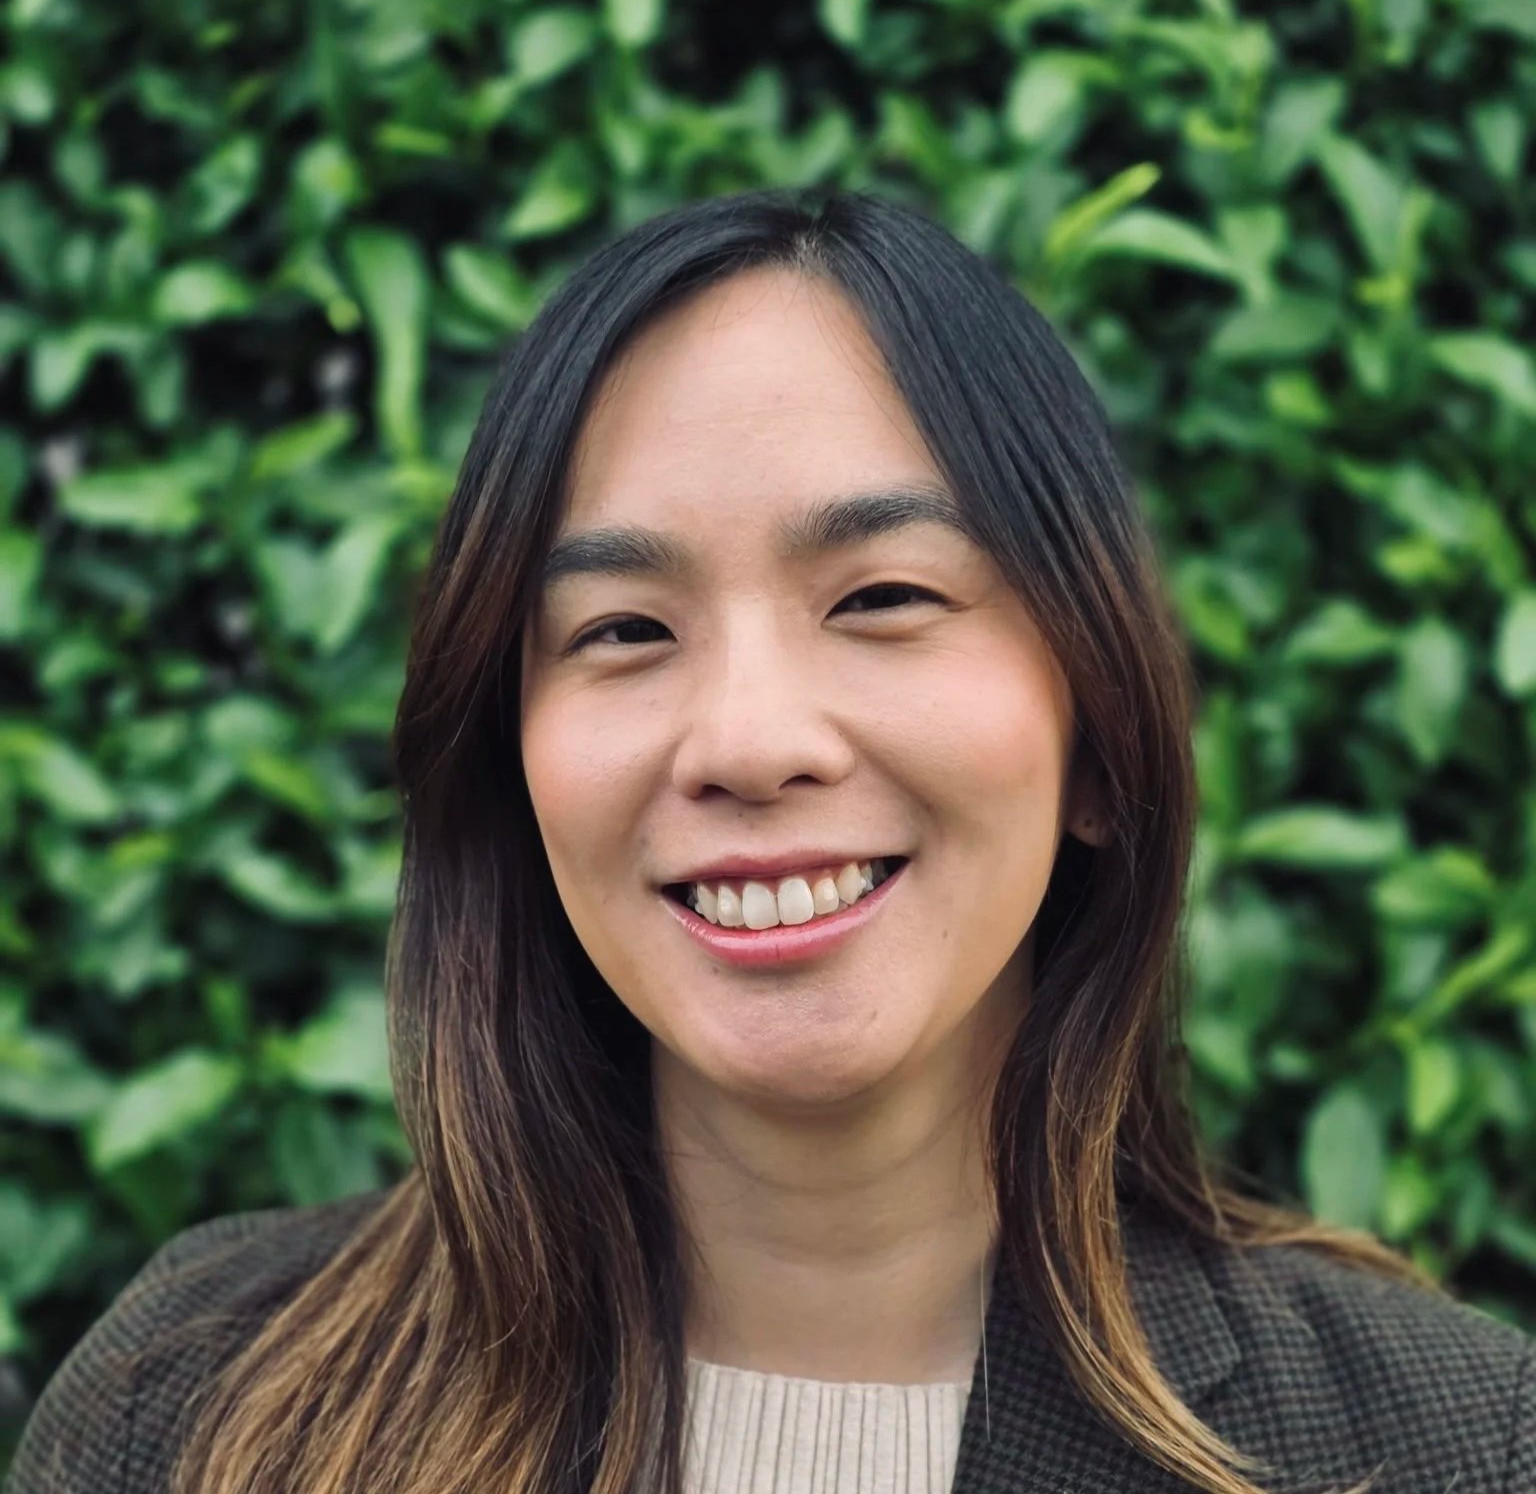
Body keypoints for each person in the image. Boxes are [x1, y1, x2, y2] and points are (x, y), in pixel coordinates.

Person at [6, 188, 1531, 1494]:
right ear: (509, 768)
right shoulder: (194, 1406)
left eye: (881, 599)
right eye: (620, 629)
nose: (747, 742)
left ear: (1099, 741)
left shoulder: (1440, 1445)